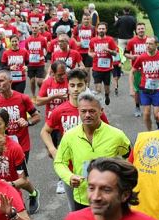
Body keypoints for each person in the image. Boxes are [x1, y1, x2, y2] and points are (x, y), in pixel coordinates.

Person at [53, 92, 130, 211]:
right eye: (83, 111)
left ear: (101, 111)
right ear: (78, 111)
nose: (87, 115)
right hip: (82, 199)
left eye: (92, 111)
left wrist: (120, 179)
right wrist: (69, 176)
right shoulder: (70, 136)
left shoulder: (117, 136)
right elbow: (59, 162)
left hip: (109, 199)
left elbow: (130, 158)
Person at [40, 68, 108, 202]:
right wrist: (53, 150)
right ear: (68, 86)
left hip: (93, 165)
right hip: (69, 169)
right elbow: (44, 131)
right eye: (72, 85)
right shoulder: (60, 110)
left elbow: (107, 132)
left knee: (96, 204)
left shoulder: (93, 110)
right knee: (75, 209)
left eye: (79, 85)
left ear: (86, 85)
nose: (76, 89)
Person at [0, 70, 41, 168]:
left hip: (22, 144)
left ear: (10, 82)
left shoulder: (23, 98)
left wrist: (27, 122)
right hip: (1, 144)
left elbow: (37, 116)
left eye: (1, 81)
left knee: (20, 176)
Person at [129, 36, 159, 131]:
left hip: (158, 89)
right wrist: (131, 88)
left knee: (157, 115)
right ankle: (149, 132)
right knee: (146, 114)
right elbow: (132, 71)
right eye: (147, 43)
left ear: (156, 45)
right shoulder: (142, 57)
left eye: (150, 44)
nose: (148, 46)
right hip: (144, 89)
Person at [88, 22, 118, 105]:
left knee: (107, 88)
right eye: (100, 28)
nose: (101, 30)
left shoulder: (110, 40)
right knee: (98, 89)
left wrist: (109, 50)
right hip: (96, 68)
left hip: (107, 69)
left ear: (106, 30)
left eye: (103, 29)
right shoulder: (93, 40)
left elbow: (115, 53)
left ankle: (107, 95)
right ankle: (99, 104)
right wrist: (91, 54)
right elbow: (89, 51)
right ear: (97, 29)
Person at [125, 23, 148, 118]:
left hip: (149, 70)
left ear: (145, 29)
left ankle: (148, 107)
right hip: (137, 70)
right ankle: (137, 107)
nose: (141, 30)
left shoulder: (149, 40)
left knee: (149, 89)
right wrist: (133, 56)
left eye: (142, 28)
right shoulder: (132, 41)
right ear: (136, 30)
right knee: (137, 90)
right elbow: (125, 54)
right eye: (139, 29)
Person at [24, 25, 48, 96]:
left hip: (40, 63)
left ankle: (41, 94)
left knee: (39, 82)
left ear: (38, 29)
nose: (34, 29)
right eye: (33, 28)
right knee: (32, 81)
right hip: (31, 64)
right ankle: (33, 95)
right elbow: (26, 50)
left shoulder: (42, 39)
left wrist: (44, 56)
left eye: (36, 28)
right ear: (31, 29)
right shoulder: (28, 39)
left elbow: (46, 49)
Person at [74, 14, 96, 82]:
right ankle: (81, 85)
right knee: (80, 70)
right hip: (79, 52)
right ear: (82, 20)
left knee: (87, 70)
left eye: (88, 19)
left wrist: (92, 46)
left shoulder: (92, 28)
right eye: (85, 19)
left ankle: (87, 87)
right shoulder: (78, 27)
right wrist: (77, 43)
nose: (86, 20)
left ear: (90, 20)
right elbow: (73, 37)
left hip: (88, 52)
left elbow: (96, 38)